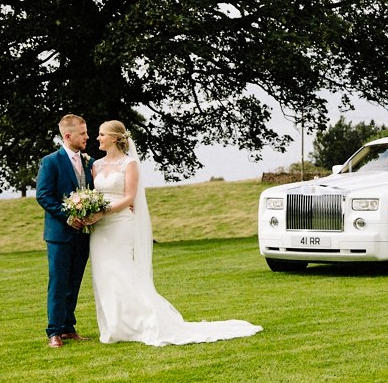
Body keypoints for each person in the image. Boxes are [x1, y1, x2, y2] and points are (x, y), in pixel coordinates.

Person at [87, 120, 262, 346]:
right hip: (100, 229)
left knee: (122, 272)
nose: (97, 138)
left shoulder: (129, 164)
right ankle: (114, 326)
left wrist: (104, 212)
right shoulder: (96, 165)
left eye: (101, 134)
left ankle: (144, 322)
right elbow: (94, 194)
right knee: (104, 274)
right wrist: (90, 210)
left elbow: (130, 197)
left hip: (120, 223)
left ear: (114, 137)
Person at [35, 113, 95, 348]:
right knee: (59, 282)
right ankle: (54, 331)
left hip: (83, 234)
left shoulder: (89, 162)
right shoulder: (50, 161)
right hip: (59, 235)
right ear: (68, 135)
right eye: (83, 133)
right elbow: (43, 196)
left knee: (75, 281)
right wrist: (67, 216)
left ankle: (69, 327)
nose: (87, 137)